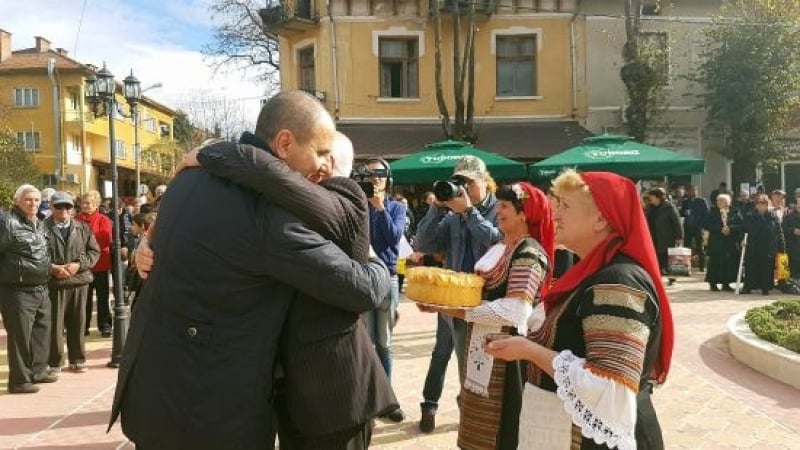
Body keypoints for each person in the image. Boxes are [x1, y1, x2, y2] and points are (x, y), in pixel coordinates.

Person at [109, 90, 392, 449]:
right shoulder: (265, 214)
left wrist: (145, 247)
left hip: (153, 393)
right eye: (320, 152)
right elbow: (361, 289)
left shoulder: (189, 177)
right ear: (285, 143)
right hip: (209, 412)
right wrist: (375, 259)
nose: (325, 167)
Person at [170, 130, 399, 448]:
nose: (313, 166)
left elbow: (267, 172)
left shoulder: (342, 195)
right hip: (292, 392)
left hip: (336, 395)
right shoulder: (290, 204)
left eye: (322, 155)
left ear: (330, 164)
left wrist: (212, 154)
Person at [485, 170, 674, 449]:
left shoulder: (618, 283)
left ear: (600, 219)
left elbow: (611, 384)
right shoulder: (594, 273)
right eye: (556, 204)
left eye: (565, 206)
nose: (556, 214)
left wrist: (528, 351)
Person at [422, 182, 554, 449]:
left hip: (510, 357)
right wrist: (439, 297)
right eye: (500, 205)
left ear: (524, 213)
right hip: (484, 348)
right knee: (479, 425)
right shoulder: (502, 247)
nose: (499, 211)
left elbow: (514, 310)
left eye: (505, 206)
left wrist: (450, 309)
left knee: (505, 429)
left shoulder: (528, 251)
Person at [414, 155, 502, 432]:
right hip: (451, 301)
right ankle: (434, 405)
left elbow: (499, 243)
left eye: (469, 183)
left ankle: (473, 418)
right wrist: (437, 209)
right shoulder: (451, 214)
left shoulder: (502, 209)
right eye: (458, 183)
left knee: (475, 365)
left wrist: (469, 212)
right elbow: (424, 243)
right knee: (443, 353)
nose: (463, 189)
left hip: (485, 304)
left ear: (485, 182)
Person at [360, 157, 407, 422]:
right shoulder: (357, 205)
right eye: (369, 175)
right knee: (365, 341)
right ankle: (367, 396)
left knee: (384, 343)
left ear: (388, 178)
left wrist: (380, 209)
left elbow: (393, 239)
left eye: (379, 174)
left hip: (387, 276)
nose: (375, 179)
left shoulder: (397, 207)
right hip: (363, 276)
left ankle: (386, 399)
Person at [0, 185, 58, 394]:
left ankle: (38, 371)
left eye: (36, 200)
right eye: (28, 200)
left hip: (41, 288)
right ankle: (19, 381)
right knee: (20, 338)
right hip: (16, 291)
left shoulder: (40, 223)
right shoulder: (7, 223)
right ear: (17, 201)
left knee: (42, 332)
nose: (33, 204)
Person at [43, 192, 100, 374]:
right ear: (52, 207)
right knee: (55, 325)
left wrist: (78, 265)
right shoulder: (41, 228)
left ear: (73, 209)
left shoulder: (83, 228)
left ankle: (78, 359)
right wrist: (51, 268)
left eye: (67, 206)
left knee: (78, 323)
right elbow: (35, 254)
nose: (64, 210)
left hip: (78, 282)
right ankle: (55, 362)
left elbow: (94, 252)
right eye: (59, 206)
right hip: (53, 283)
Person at [76, 190, 113, 338]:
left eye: (88, 203)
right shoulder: (76, 220)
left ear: (96, 205)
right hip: (82, 265)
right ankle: (82, 326)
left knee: (103, 297)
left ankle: (105, 325)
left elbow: (104, 240)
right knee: (83, 298)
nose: (85, 205)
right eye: (83, 202)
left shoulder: (104, 220)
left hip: (100, 264)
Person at [742, 194, 784, 295]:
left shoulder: (773, 216)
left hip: (768, 246)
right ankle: (749, 287)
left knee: (766, 267)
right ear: (755, 205)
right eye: (758, 203)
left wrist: (782, 247)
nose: (761, 205)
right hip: (753, 245)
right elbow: (744, 230)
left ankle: (765, 288)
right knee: (751, 267)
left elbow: (779, 232)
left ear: (767, 204)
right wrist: (742, 240)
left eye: (763, 203)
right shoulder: (750, 215)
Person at [704, 193, 743, 292]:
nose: (719, 202)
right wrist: (720, 229)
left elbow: (741, 224)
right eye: (718, 200)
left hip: (730, 241)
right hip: (716, 240)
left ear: (728, 202)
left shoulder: (735, 212)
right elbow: (707, 225)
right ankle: (713, 283)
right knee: (715, 262)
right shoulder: (712, 212)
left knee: (728, 262)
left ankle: (726, 283)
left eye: (721, 200)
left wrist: (730, 229)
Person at [645, 188, 683, 285]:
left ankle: (672, 278)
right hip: (653, 236)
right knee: (656, 258)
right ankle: (656, 278)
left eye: (651, 197)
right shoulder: (650, 208)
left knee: (669, 258)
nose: (650, 199)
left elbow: (677, 223)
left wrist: (679, 237)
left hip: (666, 237)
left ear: (658, 197)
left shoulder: (669, 207)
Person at [680, 185, 709, 272]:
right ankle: (686, 266)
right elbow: (682, 213)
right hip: (688, 227)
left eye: (694, 190)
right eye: (690, 190)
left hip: (698, 227)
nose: (692, 192)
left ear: (696, 191)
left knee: (700, 247)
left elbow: (706, 213)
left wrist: (703, 226)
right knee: (687, 247)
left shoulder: (701, 201)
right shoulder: (685, 202)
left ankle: (702, 267)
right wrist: (684, 212)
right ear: (688, 192)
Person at [785, 191, 800, 279]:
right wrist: (793, 230)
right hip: (793, 250)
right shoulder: (789, 216)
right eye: (798, 204)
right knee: (794, 273)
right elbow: (783, 229)